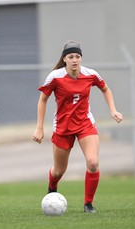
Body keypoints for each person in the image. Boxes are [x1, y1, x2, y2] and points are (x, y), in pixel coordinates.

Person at [33, 40, 122, 213]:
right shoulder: (55, 77)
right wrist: (39, 128)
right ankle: (52, 188)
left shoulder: (90, 74)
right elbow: (43, 99)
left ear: (81, 58)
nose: (75, 60)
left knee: (93, 162)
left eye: (78, 56)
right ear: (64, 59)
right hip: (63, 127)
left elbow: (105, 89)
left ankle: (88, 204)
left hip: (85, 124)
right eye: (71, 56)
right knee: (58, 171)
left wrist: (113, 109)